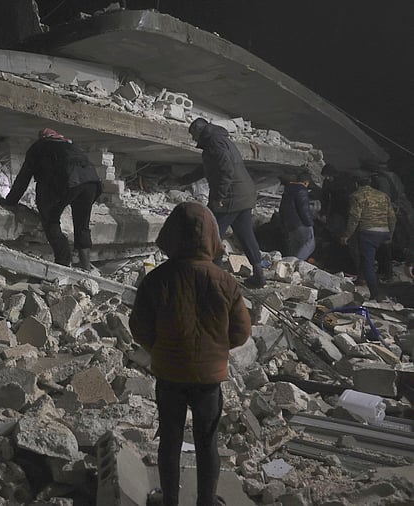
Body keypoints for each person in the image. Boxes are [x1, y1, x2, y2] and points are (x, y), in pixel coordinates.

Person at [129, 201, 251, 506]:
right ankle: (206, 502)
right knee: (207, 442)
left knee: (169, 440)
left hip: (169, 374)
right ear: (212, 237)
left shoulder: (156, 279)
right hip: (209, 380)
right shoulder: (226, 282)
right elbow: (241, 333)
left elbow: (139, 328)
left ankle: (169, 500)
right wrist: (214, 352)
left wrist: (160, 350)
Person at [2, 128, 101, 270]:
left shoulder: (38, 147)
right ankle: (86, 268)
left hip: (68, 180)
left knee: (50, 219)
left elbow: (24, 177)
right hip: (91, 183)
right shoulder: (70, 145)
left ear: (42, 137)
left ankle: (63, 264)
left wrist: (10, 201)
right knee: (82, 225)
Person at [184, 117, 266, 287]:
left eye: (193, 135)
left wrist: (219, 197)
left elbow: (226, 170)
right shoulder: (220, 140)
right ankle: (259, 275)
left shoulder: (214, 143)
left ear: (200, 131)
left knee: (211, 234)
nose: (193, 139)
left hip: (231, 197)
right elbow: (206, 168)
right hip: (244, 195)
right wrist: (181, 180)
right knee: (245, 235)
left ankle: (215, 279)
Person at [340, 173, 396, 301]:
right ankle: (385, 283)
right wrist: (390, 234)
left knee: (368, 263)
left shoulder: (356, 196)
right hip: (384, 232)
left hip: (368, 233)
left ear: (356, 184)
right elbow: (392, 217)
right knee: (383, 260)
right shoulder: (383, 195)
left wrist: (346, 235)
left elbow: (354, 218)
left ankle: (375, 294)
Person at [279, 170, 315, 261]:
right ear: (306, 182)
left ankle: (286, 264)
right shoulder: (301, 190)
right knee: (309, 243)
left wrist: (284, 224)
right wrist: (310, 223)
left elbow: (282, 209)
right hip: (300, 223)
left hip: (290, 224)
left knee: (295, 246)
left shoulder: (287, 190)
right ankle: (295, 263)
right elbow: (304, 209)